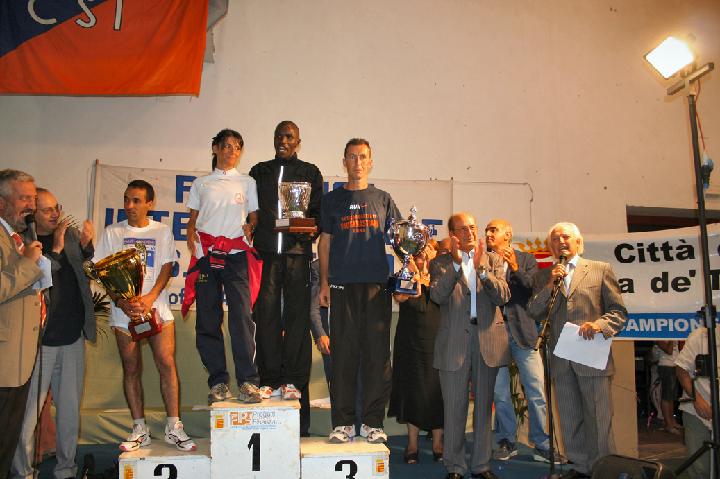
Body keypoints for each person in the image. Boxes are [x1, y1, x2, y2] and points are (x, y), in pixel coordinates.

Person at [95, 180, 196, 452]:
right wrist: (120, 301)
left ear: (150, 204)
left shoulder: (161, 231)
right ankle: (139, 429)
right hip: (123, 313)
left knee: (166, 363)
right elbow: (102, 273)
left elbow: (166, 267)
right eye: (126, 199)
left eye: (137, 201)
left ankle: (174, 427)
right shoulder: (112, 232)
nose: (130, 206)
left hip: (157, 310)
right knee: (131, 369)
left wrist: (150, 298)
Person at [527, 222, 627, 479]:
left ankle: (603, 471)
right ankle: (580, 468)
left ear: (578, 242)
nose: (561, 241)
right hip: (561, 358)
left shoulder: (599, 269)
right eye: (555, 238)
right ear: (550, 246)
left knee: (598, 420)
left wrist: (599, 325)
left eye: (566, 237)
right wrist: (550, 284)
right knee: (570, 419)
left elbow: (618, 313)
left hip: (591, 355)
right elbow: (534, 311)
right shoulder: (545, 276)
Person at [318, 138, 400, 444]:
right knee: (344, 355)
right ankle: (343, 423)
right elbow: (324, 242)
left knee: (377, 357)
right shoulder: (332, 200)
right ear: (344, 162)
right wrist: (324, 283)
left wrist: (413, 265)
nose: (357, 162)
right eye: (352, 157)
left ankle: (372, 423)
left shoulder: (383, 199)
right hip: (342, 285)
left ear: (370, 162)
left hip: (377, 286)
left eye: (363, 157)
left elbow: (400, 239)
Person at [11, 189, 95, 479]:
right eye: (47, 210)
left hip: (72, 336)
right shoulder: (23, 241)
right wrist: (56, 248)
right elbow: (39, 278)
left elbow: (84, 268)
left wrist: (86, 246)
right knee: (28, 414)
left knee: (69, 411)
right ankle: (23, 472)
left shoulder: (69, 234)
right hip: (39, 341)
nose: (55, 214)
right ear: (33, 214)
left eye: (56, 207)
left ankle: (66, 470)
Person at [184, 128, 263, 405]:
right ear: (215, 148)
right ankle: (218, 382)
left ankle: (248, 382)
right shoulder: (201, 184)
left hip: (236, 255)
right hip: (207, 255)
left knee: (241, 318)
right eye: (226, 146)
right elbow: (192, 220)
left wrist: (251, 226)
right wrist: (190, 234)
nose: (232, 151)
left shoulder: (247, 182)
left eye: (237, 147)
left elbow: (254, 217)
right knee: (208, 319)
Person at [249, 121, 323, 410]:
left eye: (289, 136)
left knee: (297, 318)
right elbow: (250, 210)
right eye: (279, 135)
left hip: (297, 254)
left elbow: (317, 214)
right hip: (266, 254)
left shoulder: (310, 173)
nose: (283, 140)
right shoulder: (259, 172)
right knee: (265, 315)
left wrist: (307, 232)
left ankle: (292, 380)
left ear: (298, 142)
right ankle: (268, 378)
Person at [429, 212, 509, 479]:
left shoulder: (493, 260)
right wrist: (455, 264)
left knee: (484, 408)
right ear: (452, 235)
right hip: (454, 342)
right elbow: (437, 295)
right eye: (462, 229)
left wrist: (482, 270)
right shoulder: (440, 263)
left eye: (472, 228)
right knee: (454, 408)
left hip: (487, 339)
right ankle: (455, 466)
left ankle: (481, 465)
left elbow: (503, 296)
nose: (470, 233)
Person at [485, 219, 566, 465]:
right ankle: (507, 441)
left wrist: (515, 267)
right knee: (500, 394)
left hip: (523, 331)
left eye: (493, 230)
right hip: (493, 333)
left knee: (536, 391)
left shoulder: (526, 259)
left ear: (508, 234)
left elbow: (534, 287)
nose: (488, 233)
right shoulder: (482, 260)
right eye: (486, 230)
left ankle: (542, 445)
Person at [0, 170, 44, 479]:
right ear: (1, 203)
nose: (31, 205)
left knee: (6, 442)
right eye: (24, 198)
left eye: (33, 198)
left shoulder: (19, 238)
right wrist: (28, 263)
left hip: (18, 360)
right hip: (4, 361)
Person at [388, 241, 444, 464]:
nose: (423, 258)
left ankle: (438, 443)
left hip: (438, 340)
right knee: (412, 390)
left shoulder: (443, 277)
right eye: (419, 255)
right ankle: (412, 444)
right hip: (410, 341)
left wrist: (428, 272)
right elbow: (400, 297)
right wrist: (414, 274)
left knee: (437, 390)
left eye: (428, 254)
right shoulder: (405, 274)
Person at [675, 326, 717, 479]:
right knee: (700, 468)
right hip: (698, 412)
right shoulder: (700, 336)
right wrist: (697, 399)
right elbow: (681, 370)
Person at [654, 341, 682, 434]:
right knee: (666, 396)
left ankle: (672, 422)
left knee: (671, 396)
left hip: (674, 365)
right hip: (666, 365)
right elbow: (669, 351)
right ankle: (668, 424)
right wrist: (671, 338)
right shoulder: (660, 337)